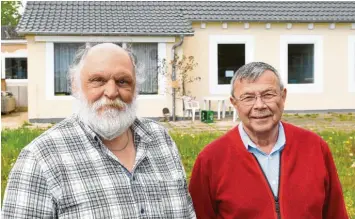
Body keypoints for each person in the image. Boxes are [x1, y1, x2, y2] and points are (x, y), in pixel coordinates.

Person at [2, 43, 196, 218]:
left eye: (123, 82)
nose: (111, 92)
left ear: (135, 89)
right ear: (75, 87)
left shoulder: (161, 140)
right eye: (98, 80)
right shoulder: (41, 158)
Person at [189, 62, 348, 219]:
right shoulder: (211, 159)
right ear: (234, 104)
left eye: (268, 95)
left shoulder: (315, 147)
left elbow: (336, 213)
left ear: (283, 96)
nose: (259, 105)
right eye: (248, 97)